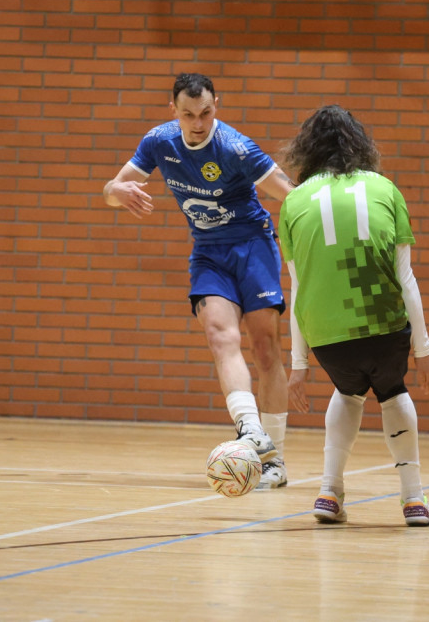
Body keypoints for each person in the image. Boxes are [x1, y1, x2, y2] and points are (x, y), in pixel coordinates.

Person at [103, 73, 296, 489]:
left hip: (253, 247)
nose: (198, 122)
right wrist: (119, 190)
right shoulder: (159, 141)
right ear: (173, 111)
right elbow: (109, 189)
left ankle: (275, 460)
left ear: (216, 106)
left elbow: (291, 196)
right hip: (209, 253)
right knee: (220, 337)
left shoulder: (235, 147)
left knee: (265, 347)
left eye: (205, 113)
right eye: (188, 114)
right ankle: (251, 432)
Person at [277, 104, 429, 525]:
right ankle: (414, 500)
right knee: (392, 391)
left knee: (349, 391)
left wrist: (297, 365)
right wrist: (423, 350)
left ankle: (329, 492)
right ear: (360, 144)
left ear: (306, 150)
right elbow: (406, 278)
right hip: (383, 323)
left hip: (327, 334)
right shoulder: (385, 189)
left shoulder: (294, 201)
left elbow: (297, 289)